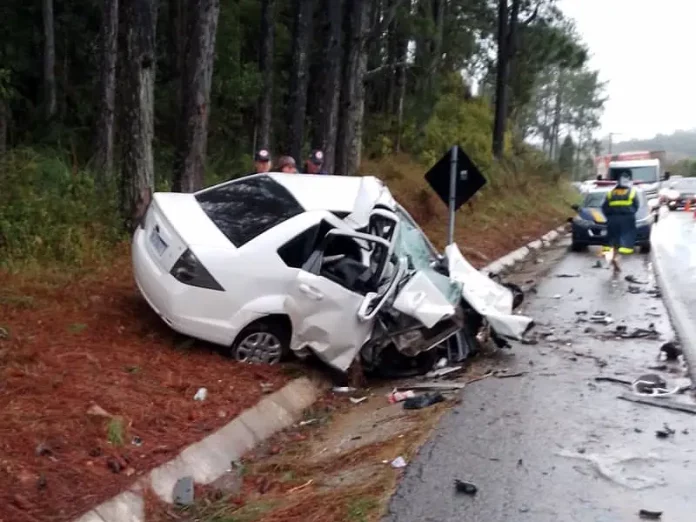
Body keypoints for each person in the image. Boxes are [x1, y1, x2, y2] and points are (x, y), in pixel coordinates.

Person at [601, 169, 639, 273]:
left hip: (613, 219)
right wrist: (630, 213)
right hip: (627, 219)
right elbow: (636, 206)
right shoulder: (632, 192)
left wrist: (609, 216)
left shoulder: (610, 193)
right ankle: (616, 258)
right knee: (625, 240)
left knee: (612, 239)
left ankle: (612, 256)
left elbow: (604, 207)